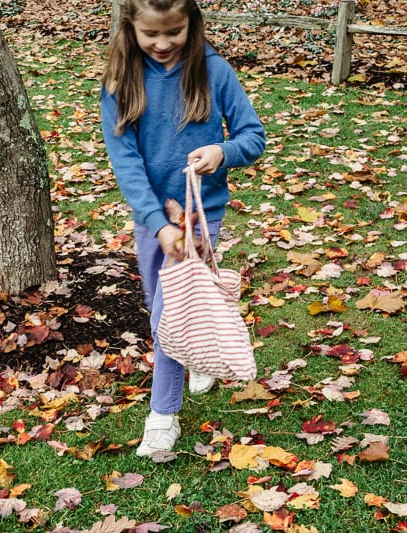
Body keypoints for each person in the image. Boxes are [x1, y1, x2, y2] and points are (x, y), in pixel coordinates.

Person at [100, 0, 266, 457]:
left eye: (173, 31)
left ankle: (162, 414)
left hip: (200, 213)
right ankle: (196, 352)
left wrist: (223, 152)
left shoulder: (215, 71)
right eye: (150, 33)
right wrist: (156, 224)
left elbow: (253, 136)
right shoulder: (120, 80)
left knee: (168, 314)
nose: (162, 43)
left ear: (191, 23)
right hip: (152, 218)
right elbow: (125, 161)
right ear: (130, 27)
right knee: (166, 306)